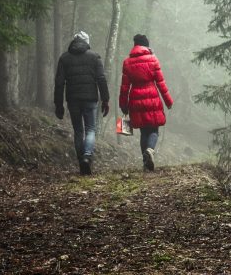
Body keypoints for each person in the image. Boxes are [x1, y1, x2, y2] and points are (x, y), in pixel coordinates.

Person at [54, 31, 110, 175]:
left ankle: (81, 162)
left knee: (78, 130)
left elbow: (59, 83)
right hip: (90, 99)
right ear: (87, 42)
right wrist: (106, 99)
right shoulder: (94, 57)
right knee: (91, 129)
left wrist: (58, 104)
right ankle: (87, 156)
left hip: (73, 99)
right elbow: (101, 79)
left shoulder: (64, 58)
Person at [119, 33, 173, 171]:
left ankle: (145, 162)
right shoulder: (153, 59)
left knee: (144, 131)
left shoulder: (127, 62)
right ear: (146, 45)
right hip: (152, 97)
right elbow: (160, 82)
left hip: (135, 99)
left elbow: (125, 86)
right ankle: (150, 150)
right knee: (154, 129)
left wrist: (123, 104)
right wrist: (168, 101)